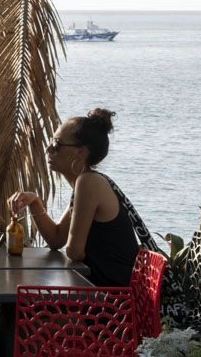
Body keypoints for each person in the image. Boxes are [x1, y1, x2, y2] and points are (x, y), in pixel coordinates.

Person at [12, 107, 143, 287]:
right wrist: (34, 202)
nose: (49, 148)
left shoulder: (88, 182)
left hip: (112, 302)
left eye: (57, 144)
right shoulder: (87, 183)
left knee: (21, 300)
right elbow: (57, 239)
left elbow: (74, 252)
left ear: (81, 152)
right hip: (102, 293)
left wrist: (76, 249)